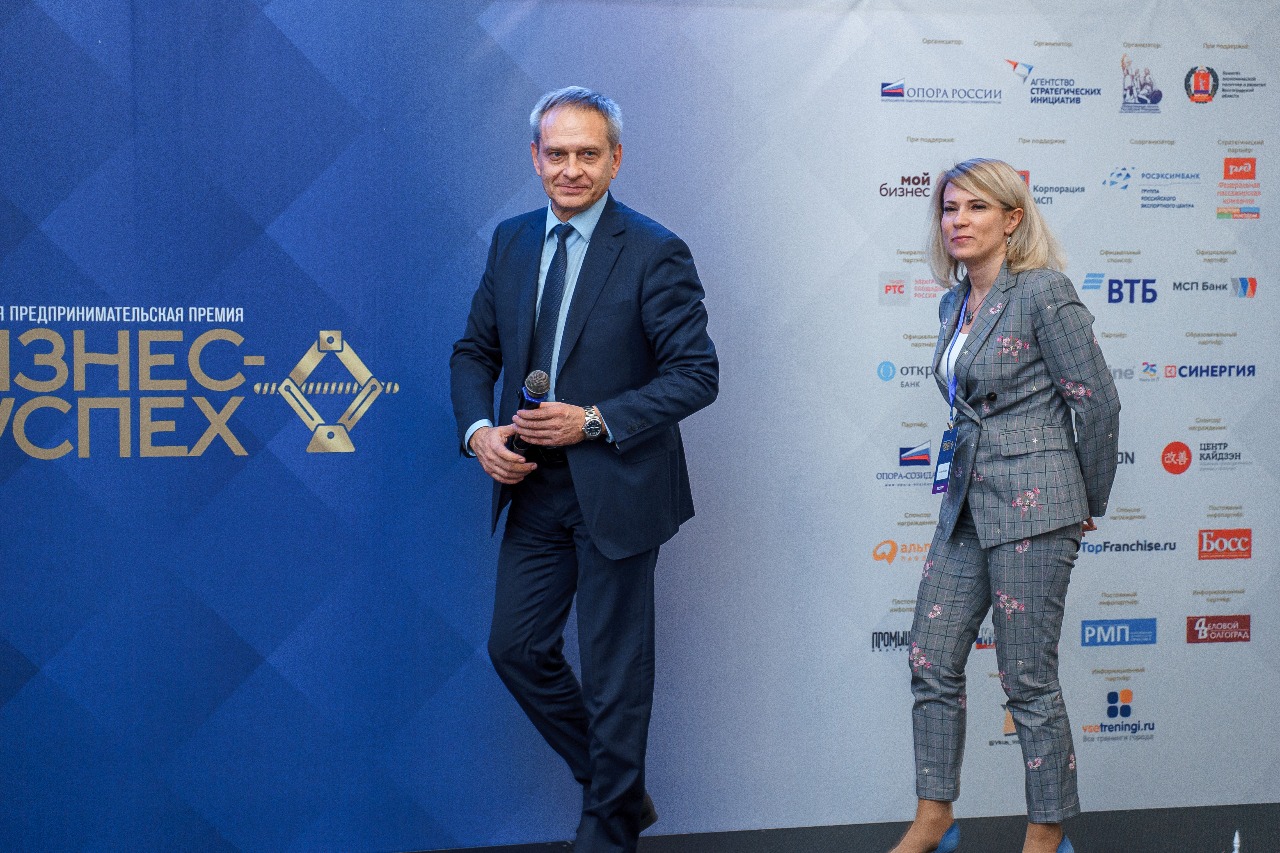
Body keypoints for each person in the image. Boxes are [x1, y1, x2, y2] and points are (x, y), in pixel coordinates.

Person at [450, 86, 718, 853]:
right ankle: (619, 791)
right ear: (535, 158)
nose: (571, 168)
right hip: (533, 486)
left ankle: (606, 833)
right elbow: (474, 352)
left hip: (621, 488)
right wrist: (478, 432)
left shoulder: (656, 250)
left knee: (612, 675)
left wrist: (593, 420)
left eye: (588, 154)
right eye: (557, 153)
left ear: (616, 160)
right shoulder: (510, 241)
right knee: (516, 648)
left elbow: (696, 374)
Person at [890, 159, 1120, 853]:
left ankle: (1045, 833)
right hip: (966, 504)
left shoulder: (1043, 291)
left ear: (1012, 218)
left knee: (1027, 679)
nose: (958, 220)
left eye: (976, 208)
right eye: (949, 208)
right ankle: (934, 816)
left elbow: (1097, 402)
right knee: (930, 659)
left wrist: (1084, 499)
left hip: (1037, 507)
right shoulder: (952, 302)